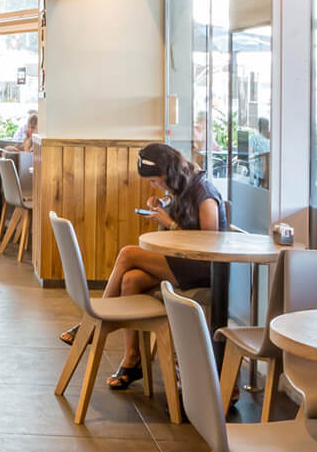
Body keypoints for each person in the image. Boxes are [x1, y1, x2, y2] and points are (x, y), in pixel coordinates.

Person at [78, 144, 227, 389]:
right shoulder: (182, 188)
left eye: (156, 181)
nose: (154, 186)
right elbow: (181, 229)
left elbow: (208, 245)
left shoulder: (203, 192)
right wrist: (163, 209)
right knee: (131, 280)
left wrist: (169, 223)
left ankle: (94, 320)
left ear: (168, 173)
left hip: (204, 269)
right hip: (183, 262)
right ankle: (132, 358)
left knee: (127, 254)